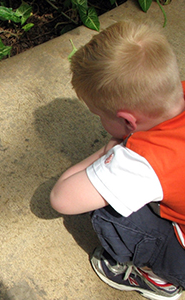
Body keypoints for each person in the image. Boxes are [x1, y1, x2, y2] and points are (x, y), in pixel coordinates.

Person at [50, 20, 185, 300]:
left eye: (98, 115)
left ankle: (160, 278)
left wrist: (107, 152)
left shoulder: (145, 159)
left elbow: (62, 198)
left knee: (107, 211)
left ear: (127, 121)